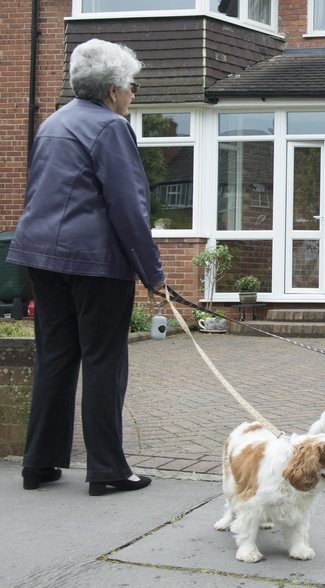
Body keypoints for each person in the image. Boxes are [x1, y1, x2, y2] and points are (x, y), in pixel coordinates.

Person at [7, 39, 166, 496]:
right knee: (103, 361)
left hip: (41, 257)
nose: (133, 94)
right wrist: (153, 273)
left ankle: (39, 463)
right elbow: (129, 208)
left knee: (55, 358)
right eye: (132, 86)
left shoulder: (52, 123)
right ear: (113, 90)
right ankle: (108, 470)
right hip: (96, 263)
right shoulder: (112, 127)